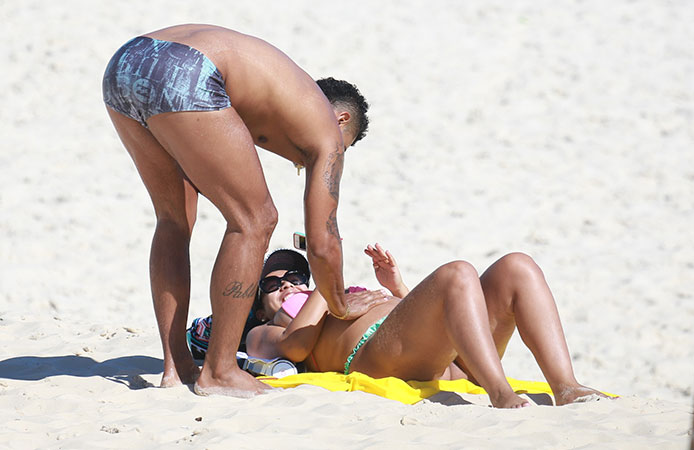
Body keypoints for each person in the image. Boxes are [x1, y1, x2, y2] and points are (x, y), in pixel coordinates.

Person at [102, 24, 378, 396]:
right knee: (256, 220)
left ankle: (176, 364)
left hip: (127, 61)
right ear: (343, 120)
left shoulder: (278, 95)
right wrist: (339, 304)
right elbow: (322, 243)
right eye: (345, 147)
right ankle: (219, 370)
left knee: (174, 218)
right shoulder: (328, 131)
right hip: (189, 70)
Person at [245, 245, 612, 408]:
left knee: (517, 265)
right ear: (260, 307)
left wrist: (399, 291)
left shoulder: (331, 295)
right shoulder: (267, 326)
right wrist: (327, 284)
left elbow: (433, 317)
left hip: (440, 356)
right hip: (374, 356)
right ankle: (500, 392)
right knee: (457, 273)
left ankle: (565, 386)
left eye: (295, 275)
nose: (288, 285)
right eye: (273, 284)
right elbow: (293, 350)